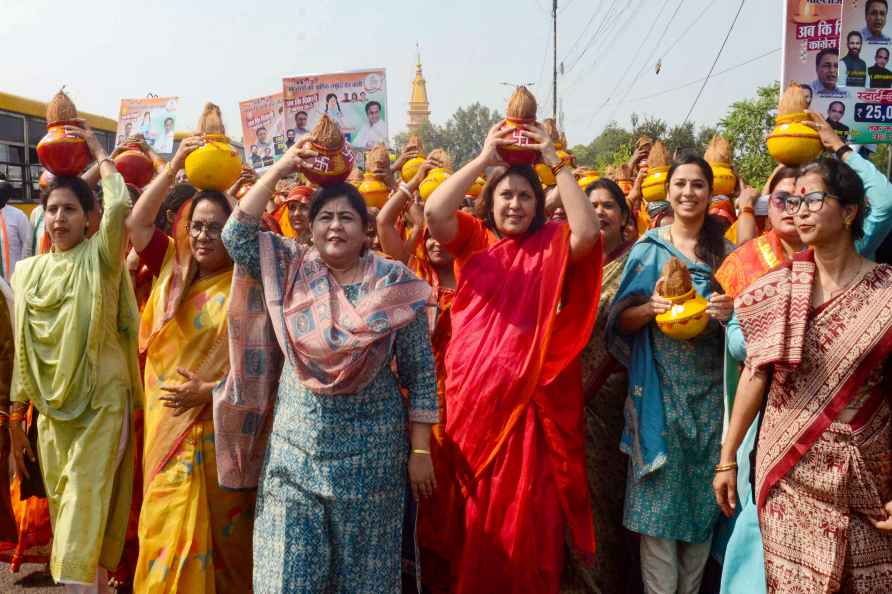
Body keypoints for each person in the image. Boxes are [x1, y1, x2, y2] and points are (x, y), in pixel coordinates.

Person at [216, 142, 438, 593]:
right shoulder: (290, 267)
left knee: (364, 581)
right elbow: (235, 235)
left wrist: (419, 452)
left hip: (372, 460)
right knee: (287, 577)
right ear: (311, 228)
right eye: (325, 217)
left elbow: (422, 377)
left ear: (366, 231)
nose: (335, 225)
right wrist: (281, 166)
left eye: (346, 217)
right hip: (295, 455)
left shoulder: (396, 286)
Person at [716, 113, 892, 594]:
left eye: (815, 199)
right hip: (789, 473)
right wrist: (729, 456)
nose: (802, 210)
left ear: (851, 211)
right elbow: (755, 372)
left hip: (869, 481)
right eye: (794, 201)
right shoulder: (778, 288)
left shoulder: (885, 293)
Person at [424, 121, 602, 594]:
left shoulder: (553, 244)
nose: (515, 204)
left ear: (539, 205)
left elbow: (587, 235)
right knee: (470, 518)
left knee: (526, 519)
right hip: (470, 405)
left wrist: (555, 162)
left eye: (526, 196)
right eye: (506, 196)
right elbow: (434, 211)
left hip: (527, 411)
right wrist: (484, 160)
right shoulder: (473, 240)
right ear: (490, 202)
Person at [9, 124, 141, 591]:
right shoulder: (27, 273)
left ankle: (78, 588)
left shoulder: (102, 259)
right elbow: (24, 349)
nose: (60, 218)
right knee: (67, 499)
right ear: (43, 218)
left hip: (101, 402)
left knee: (85, 496)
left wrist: (102, 154)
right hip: (50, 412)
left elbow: (121, 205)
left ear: (90, 219)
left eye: (70, 209)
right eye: (52, 210)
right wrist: (16, 416)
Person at [125, 135, 255, 593]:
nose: (203, 236)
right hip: (168, 432)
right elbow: (137, 221)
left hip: (219, 432)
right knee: (165, 527)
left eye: (216, 227)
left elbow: (261, 368)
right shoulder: (171, 267)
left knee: (226, 543)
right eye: (196, 225)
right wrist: (176, 163)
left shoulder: (246, 285)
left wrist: (210, 392)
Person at [606, 154, 734, 594]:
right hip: (658, 397)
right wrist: (650, 308)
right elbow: (620, 321)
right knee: (658, 524)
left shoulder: (728, 254)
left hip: (711, 403)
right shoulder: (649, 250)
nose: (687, 193)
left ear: (710, 192)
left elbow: (747, 328)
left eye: (698, 185)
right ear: (668, 190)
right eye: (680, 184)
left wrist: (728, 312)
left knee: (700, 518)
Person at [561, 178, 642, 594]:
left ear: (627, 218)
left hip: (612, 405)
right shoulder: (566, 265)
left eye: (609, 205)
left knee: (602, 514)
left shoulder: (638, 264)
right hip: (561, 405)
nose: (599, 212)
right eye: (590, 204)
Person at [0, 180, 33, 279]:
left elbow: (27, 243)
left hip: (12, 275)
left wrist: (21, 270)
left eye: (3, 193)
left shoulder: (18, 215)